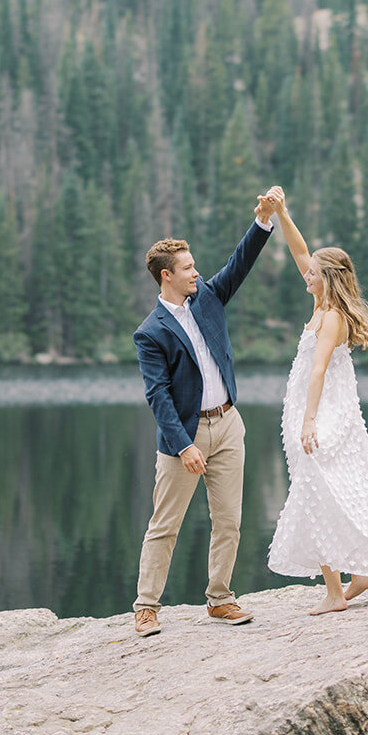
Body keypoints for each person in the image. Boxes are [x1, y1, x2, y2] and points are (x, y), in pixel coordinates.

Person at [131, 191, 277, 637]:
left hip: (229, 423)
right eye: (189, 267)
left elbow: (241, 262)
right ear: (166, 276)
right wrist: (184, 444)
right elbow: (158, 396)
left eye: (195, 266)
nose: (197, 271)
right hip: (185, 437)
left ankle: (219, 599)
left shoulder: (209, 297)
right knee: (165, 526)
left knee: (229, 520)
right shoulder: (150, 333)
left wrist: (264, 220)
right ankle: (146, 607)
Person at [266, 189, 368, 614]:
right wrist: (283, 213)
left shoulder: (330, 317)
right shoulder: (322, 304)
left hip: (321, 412)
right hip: (318, 409)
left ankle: (334, 594)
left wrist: (309, 421)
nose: (305, 275)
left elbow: (319, 370)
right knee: (327, 488)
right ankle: (360, 576)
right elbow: (300, 249)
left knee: (314, 490)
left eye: (312, 274)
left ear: (328, 279)